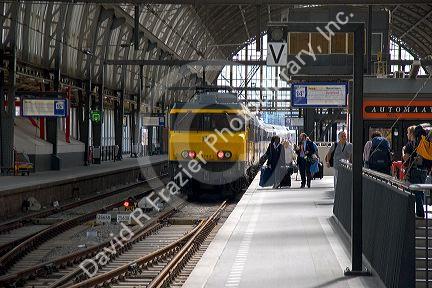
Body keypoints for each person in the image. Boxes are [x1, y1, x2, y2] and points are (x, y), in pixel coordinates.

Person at [404, 126, 428, 218]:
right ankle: (420, 210)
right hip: (424, 170)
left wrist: (403, 152)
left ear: (411, 134)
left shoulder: (410, 144)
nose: (407, 134)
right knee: (420, 190)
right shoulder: (423, 143)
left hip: (414, 170)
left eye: (408, 133)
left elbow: (406, 159)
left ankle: (420, 213)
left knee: (416, 191)